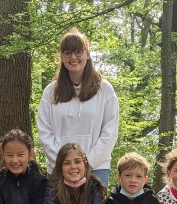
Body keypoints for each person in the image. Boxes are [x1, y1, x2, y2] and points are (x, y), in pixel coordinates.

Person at [37, 28, 119, 185]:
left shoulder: (105, 89)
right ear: (61, 57)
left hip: (96, 169)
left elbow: (110, 131)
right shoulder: (51, 91)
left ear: (87, 54)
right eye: (67, 53)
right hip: (58, 168)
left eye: (78, 52)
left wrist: (87, 164)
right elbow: (45, 132)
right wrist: (64, 163)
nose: (73, 57)